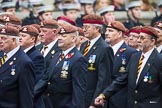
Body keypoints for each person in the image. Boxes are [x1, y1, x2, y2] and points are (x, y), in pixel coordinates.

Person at [95, 26, 162, 108]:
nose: (138, 41)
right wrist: (104, 95)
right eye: (138, 37)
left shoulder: (159, 60)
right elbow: (122, 79)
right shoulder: (135, 57)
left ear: (152, 41)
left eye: (142, 38)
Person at [34, 24, 87, 108]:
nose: (59, 38)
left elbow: (78, 89)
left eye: (64, 36)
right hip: (49, 103)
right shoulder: (57, 55)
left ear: (73, 38)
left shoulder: (78, 59)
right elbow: (46, 79)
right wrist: (30, 95)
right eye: (59, 35)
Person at [80, 14, 114, 108]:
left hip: (91, 98)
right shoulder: (84, 45)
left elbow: (104, 79)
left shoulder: (105, 48)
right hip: (80, 96)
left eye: (87, 27)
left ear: (97, 29)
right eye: (83, 27)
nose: (84, 30)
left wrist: (94, 103)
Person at [0, 25, 35, 108]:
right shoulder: (1, 55)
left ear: (13, 40)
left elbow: (26, 96)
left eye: (4, 38)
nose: (0, 41)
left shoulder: (24, 62)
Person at [105, 21, 137, 108]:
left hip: (120, 100)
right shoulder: (105, 50)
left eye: (110, 31)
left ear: (119, 34)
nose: (107, 33)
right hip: (104, 99)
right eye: (106, 30)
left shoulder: (131, 52)